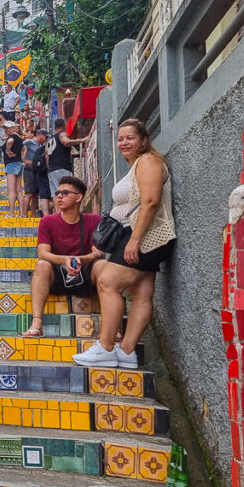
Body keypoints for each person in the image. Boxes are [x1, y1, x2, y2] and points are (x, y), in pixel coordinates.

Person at [73, 119, 176, 369]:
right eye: (120, 139)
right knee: (141, 293)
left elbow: (151, 202)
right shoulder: (136, 166)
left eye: (130, 137)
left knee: (108, 281)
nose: (124, 143)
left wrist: (135, 240)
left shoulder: (149, 161)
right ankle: (127, 352)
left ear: (144, 140)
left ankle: (106, 347)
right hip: (141, 236)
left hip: (146, 236)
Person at [22, 176, 106, 338]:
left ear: (78, 197)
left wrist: (81, 260)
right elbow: (43, 253)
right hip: (58, 275)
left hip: (86, 272)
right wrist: (65, 260)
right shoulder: (47, 221)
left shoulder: (93, 220)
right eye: (58, 193)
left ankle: (111, 326)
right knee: (41, 265)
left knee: (102, 265)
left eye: (65, 193)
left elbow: (99, 252)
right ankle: (37, 322)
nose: (59, 196)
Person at [45, 118, 91, 197]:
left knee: (56, 193)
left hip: (52, 170)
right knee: (66, 191)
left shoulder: (49, 141)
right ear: (64, 126)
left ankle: (58, 209)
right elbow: (66, 142)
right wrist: (82, 140)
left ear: (55, 127)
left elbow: (47, 157)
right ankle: (65, 209)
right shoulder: (62, 134)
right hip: (62, 168)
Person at [1, 121, 24, 216]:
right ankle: (22, 213)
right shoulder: (18, 137)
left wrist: (7, 150)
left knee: (11, 190)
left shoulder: (12, 137)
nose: (6, 130)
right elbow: (24, 149)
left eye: (8, 128)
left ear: (14, 128)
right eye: (5, 128)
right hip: (19, 163)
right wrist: (22, 159)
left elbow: (10, 142)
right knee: (19, 190)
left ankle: (11, 212)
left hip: (11, 164)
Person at [20, 124, 42, 217]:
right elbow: (20, 148)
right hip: (29, 170)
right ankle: (24, 214)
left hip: (37, 170)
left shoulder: (41, 145)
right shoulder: (29, 142)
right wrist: (24, 160)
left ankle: (33, 215)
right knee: (29, 193)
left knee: (36, 194)